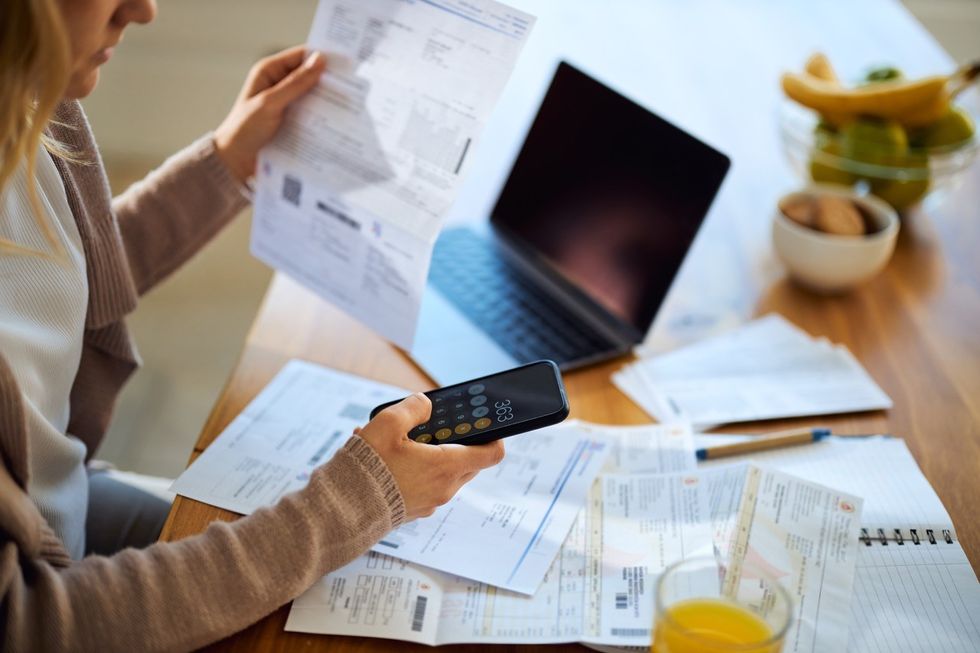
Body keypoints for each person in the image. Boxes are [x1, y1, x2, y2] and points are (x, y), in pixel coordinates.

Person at [0, 1, 505, 650]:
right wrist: (354, 500)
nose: (143, 9)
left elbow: (53, 277)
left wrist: (228, 158)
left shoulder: (32, 106)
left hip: (60, 507)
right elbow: (28, 625)